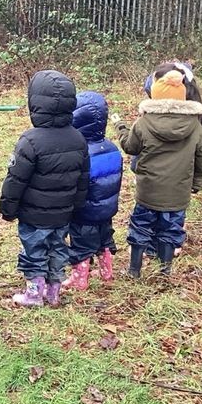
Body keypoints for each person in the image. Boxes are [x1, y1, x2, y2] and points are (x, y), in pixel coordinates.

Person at [0, 71, 89, 308]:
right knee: (58, 249)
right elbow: (83, 178)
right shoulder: (78, 139)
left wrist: (8, 208)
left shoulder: (30, 141)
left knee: (35, 250)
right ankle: (53, 292)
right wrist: (77, 206)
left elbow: (15, 180)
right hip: (63, 214)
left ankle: (34, 294)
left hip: (34, 215)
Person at [114, 70, 202, 278]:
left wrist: (121, 128)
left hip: (148, 190)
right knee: (171, 229)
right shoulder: (194, 125)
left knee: (140, 227)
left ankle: (134, 270)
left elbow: (130, 147)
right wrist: (197, 182)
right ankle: (165, 271)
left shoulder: (144, 122)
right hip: (178, 192)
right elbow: (201, 154)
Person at [63, 91, 123, 289]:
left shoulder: (80, 153)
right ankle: (107, 272)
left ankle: (80, 279)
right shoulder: (112, 148)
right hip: (106, 209)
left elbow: (75, 183)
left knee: (82, 245)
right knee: (105, 239)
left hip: (84, 212)